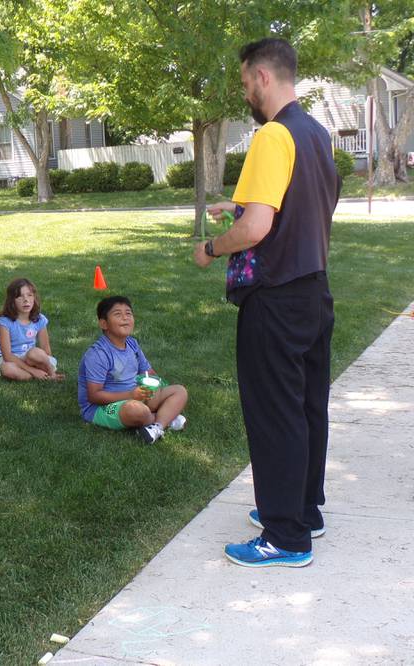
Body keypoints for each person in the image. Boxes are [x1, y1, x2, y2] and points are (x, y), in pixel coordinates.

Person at [193, 38, 341, 568]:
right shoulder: (316, 134)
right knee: (306, 409)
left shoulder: (272, 135)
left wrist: (212, 248)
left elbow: (257, 227)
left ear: (260, 77)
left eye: (243, 83)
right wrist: (234, 202)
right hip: (314, 293)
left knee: (275, 414)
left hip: (275, 300)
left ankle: (284, 537)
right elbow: (295, 202)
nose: (244, 93)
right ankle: (304, 512)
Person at [78, 296, 188, 444]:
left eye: (128, 313)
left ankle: (157, 426)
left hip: (136, 394)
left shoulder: (132, 344)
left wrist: (156, 387)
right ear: (104, 323)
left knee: (179, 391)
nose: (125, 318)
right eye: (117, 314)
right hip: (103, 407)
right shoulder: (98, 354)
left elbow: (149, 373)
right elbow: (94, 396)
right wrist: (131, 395)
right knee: (135, 410)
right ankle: (167, 418)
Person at [0, 278, 63, 381]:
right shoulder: (4, 322)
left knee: (35, 353)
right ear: (12, 301)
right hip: (12, 360)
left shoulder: (39, 319)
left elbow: (46, 349)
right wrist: (33, 370)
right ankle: (36, 375)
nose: (26, 300)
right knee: (7, 369)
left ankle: (50, 374)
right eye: (20, 296)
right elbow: (7, 356)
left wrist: (47, 364)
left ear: (34, 297)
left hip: (31, 358)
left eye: (29, 295)